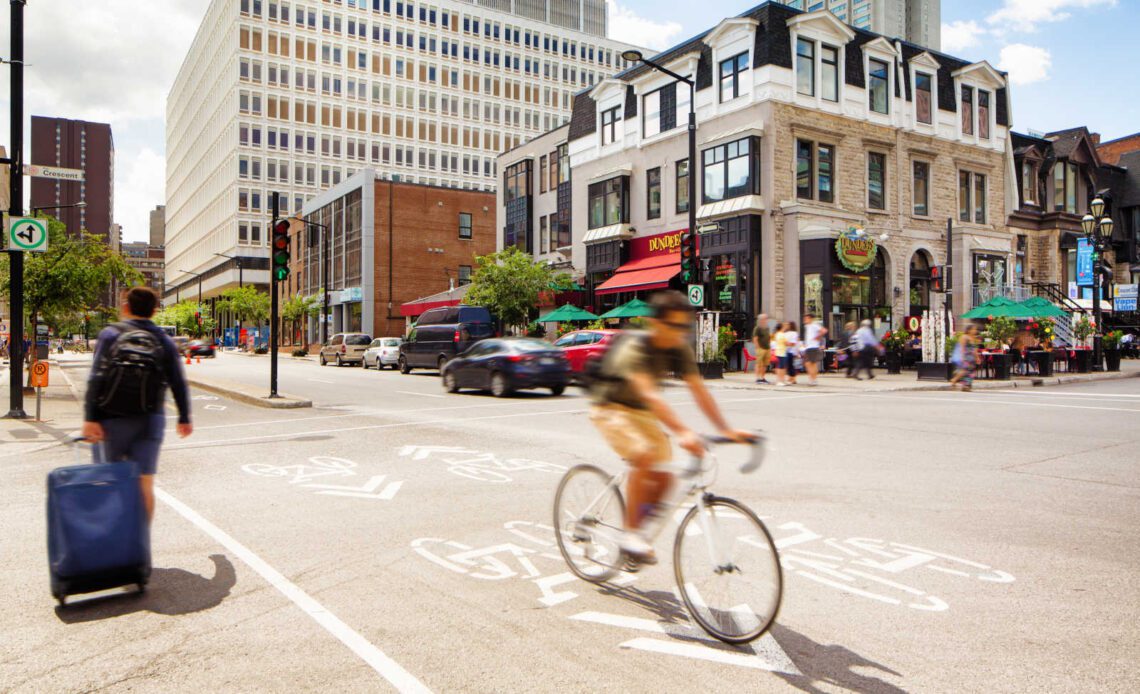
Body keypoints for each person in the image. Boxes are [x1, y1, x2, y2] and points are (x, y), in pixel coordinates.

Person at [589, 290, 753, 563]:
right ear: (655, 323)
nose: (679, 333)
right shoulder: (636, 348)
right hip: (609, 406)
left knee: (665, 475)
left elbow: (699, 390)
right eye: (673, 326)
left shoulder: (678, 348)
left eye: (684, 327)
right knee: (643, 455)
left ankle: (639, 532)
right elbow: (651, 395)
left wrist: (726, 430)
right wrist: (684, 432)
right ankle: (630, 535)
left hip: (640, 411)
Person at [82, 287, 193, 522]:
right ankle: (139, 547)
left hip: (111, 418)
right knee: (145, 482)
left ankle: (112, 542)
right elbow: (178, 382)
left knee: (109, 480)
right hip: (150, 418)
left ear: (125, 307)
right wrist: (184, 417)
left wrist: (90, 418)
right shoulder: (163, 340)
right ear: (154, 311)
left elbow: (96, 377)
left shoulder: (111, 334)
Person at [949, 324, 980, 391]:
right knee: (964, 371)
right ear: (968, 330)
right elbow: (961, 347)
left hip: (971, 358)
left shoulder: (973, 338)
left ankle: (966, 386)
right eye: (973, 329)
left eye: (975, 329)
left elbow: (974, 349)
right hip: (966, 357)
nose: (975, 331)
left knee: (970, 372)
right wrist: (962, 357)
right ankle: (954, 380)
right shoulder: (964, 337)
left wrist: (977, 357)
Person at [801, 313, 828, 386]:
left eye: (806, 318)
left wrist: (818, 337)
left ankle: (813, 379)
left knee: (810, 363)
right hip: (809, 347)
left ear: (810, 319)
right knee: (810, 364)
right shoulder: (807, 326)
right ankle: (813, 379)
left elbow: (824, 330)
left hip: (812, 347)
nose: (805, 320)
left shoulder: (814, 325)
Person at [751, 313, 771, 384]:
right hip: (760, 348)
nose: (766, 320)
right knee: (758, 363)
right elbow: (755, 339)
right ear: (761, 320)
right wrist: (757, 347)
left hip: (767, 348)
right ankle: (757, 378)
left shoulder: (767, 327)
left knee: (765, 364)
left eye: (766, 319)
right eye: (765, 319)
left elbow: (768, 337)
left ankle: (762, 378)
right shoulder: (757, 328)